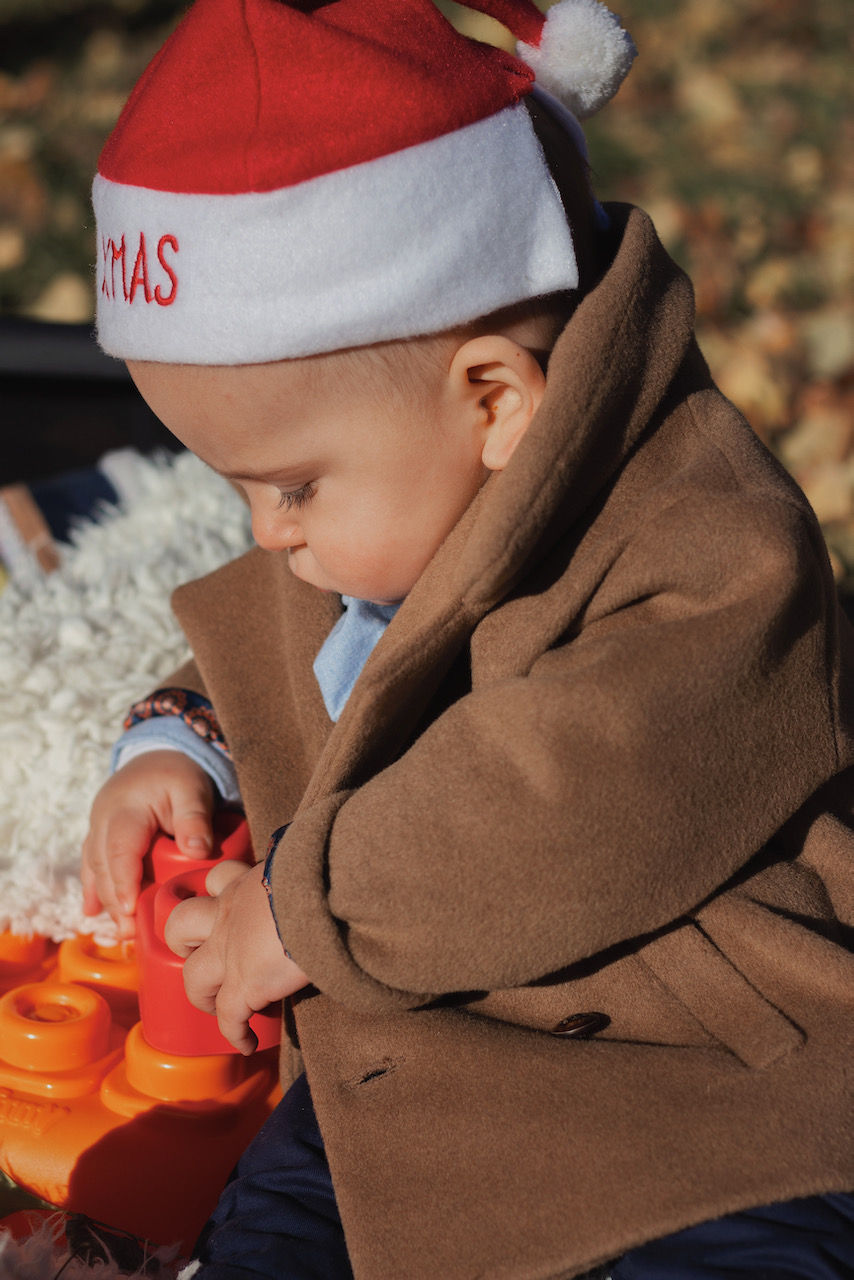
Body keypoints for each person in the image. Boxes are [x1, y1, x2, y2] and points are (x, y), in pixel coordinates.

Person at [81, 1, 854, 1276]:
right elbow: (324, 653)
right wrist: (192, 736)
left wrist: (302, 905)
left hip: (694, 1081)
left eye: (290, 487)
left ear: (493, 398)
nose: (266, 536)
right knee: (281, 1225)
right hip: (415, 1057)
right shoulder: (412, 497)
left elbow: (573, 787)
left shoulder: (719, 549)